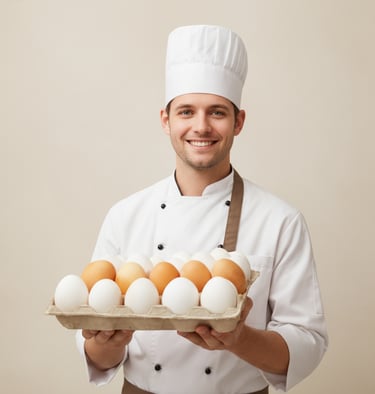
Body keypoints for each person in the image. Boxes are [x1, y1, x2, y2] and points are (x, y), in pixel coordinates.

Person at [76, 25, 328, 394]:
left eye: (217, 113)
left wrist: (237, 338)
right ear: (166, 120)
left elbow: (307, 343)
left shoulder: (280, 221)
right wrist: (108, 344)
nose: (201, 126)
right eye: (186, 112)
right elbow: (96, 356)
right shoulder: (124, 216)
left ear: (238, 121)